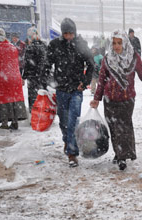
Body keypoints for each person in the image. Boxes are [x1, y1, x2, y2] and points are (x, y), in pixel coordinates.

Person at [90, 30, 142, 171]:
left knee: (124, 127)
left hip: (127, 99)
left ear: (125, 43)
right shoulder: (107, 59)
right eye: (114, 43)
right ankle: (119, 153)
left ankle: (123, 156)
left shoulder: (133, 58)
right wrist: (97, 98)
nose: (116, 46)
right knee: (113, 128)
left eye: (119, 43)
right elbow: (102, 80)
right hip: (109, 99)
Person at [47, 18, 94, 167]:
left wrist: (85, 82)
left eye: (71, 34)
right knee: (63, 121)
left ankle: (72, 154)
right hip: (61, 89)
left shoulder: (81, 44)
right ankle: (67, 142)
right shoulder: (55, 45)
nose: (69, 37)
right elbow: (47, 64)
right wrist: (50, 82)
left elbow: (91, 64)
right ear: (62, 33)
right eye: (66, 34)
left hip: (76, 89)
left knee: (73, 121)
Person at [22, 27, 48, 112]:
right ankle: (43, 114)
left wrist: (24, 76)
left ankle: (34, 114)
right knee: (43, 95)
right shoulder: (44, 45)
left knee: (33, 97)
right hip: (43, 76)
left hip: (32, 76)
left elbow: (27, 64)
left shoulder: (30, 47)